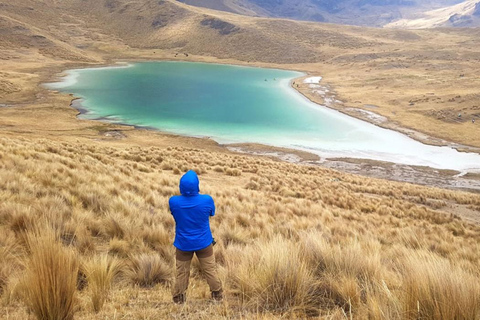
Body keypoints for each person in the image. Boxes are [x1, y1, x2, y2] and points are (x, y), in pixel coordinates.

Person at [169, 170, 223, 304]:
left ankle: (179, 298)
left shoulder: (174, 201)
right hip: (204, 242)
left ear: (181, 186)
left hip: (183, 244)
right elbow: (211, 213)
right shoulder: (207, 200)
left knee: (182, 272)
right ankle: (217, 295)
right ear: (197, 186)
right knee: (210, 270)